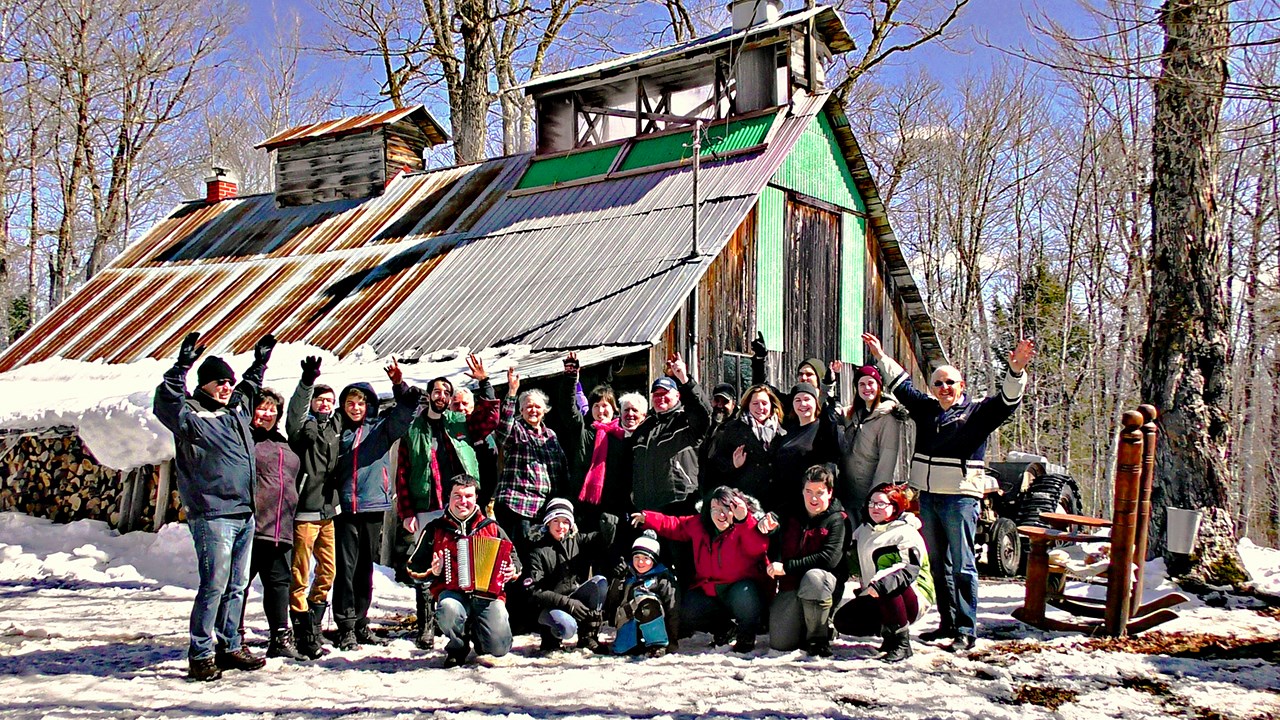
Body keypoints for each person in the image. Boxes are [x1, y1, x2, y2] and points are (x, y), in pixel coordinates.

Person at [862, 332, 1035, 651]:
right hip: (928, 497)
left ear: (962, 385)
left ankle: (966, 630)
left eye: (950, 382)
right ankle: (947, 624)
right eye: (938, 383)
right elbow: (901, 384)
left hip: (961, 499)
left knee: (963, 564)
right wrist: (880, 355)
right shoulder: (925, 409)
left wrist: (1016, 371)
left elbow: (1008, 401)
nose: (944, 388)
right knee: (938, 563)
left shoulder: (979, 413)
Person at [152, 331, 275, 681]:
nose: (226, 387)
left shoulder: (234, 413)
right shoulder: (189, 415)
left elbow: (248, 390)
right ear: (204, 384)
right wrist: (181, 366)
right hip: (213, 514)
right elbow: (165, 402)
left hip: (244, 512)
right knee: (214, 585)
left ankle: (230, 645)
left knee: (238, 586)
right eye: (220, 382)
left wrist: (259, 363)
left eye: (228, 382)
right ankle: (201, 652)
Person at [396, 354, 499, 648]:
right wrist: (406, 511)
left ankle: (462, 622)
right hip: (426, 505)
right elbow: (403, 472)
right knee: (427, 565)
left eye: (446, 391)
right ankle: (426, 626)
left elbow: (490, 418)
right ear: (429, 396)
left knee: (465, 562)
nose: (441, 396)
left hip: (459, 505)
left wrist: (484, 382)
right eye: (437, 391)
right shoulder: (414, 429)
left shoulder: (460, 423)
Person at [331, 359, 423, 651]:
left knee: (364, 569)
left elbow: (405, 413)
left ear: (369, 405)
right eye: (350, 402)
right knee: (344, 568)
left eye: (361, 402)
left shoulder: (381, 428)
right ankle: (345, 625)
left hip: (372, 504)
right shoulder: (338, 431)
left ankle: (361, 623)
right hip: (344, 507)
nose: (355, 407)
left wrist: (399, 386)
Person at [631, 486, 770, 652]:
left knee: (746, 596)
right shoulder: (700, 524)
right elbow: (675, 525)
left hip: (740, 588)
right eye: (714, 509)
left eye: (725, 509)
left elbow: (758, 547)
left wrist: (745, 519)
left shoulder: (745, 525)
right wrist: (648, 518)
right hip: (710, 588)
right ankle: (725, 630)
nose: (720, 515)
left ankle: (746, 638)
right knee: (687, 610)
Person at [409, 475, 521, 667]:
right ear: (449, 498)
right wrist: (432, 571)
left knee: (499, 648)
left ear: (476, 498)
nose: (463, 501)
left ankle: (480, 635)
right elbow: (412, 567)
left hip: (487, 596)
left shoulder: (492, 527)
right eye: (457, 496)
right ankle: (457, 647)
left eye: (468, 496)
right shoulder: (435, 529)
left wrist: (512, 570)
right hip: (453, 593)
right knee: (448, 609)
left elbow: (514, 558)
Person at [833, 483, 934, 662]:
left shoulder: (906, 532)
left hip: (912, 597)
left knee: (887, 582)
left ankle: (902, 643)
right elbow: (851, 563)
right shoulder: (863, 531)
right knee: (843, 620)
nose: (874, 508)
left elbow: (909, 569)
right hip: (874, 595)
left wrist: (879, 585)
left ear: (895, 506)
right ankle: (889, 634)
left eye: (881, 504)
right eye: (871, 503)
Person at [285, 357, 340, 660]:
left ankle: (314, 622)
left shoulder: (334, 428)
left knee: (328, 571)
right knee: (300, 571)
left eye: (330, 400)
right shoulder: (302, 429)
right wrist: (307, 382)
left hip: (328, 511)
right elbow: (295, 412)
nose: (325, 404)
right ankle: (300, 628)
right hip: (305, 510)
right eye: (321, 399)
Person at [764, 465, 849, 656]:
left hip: (822, 584)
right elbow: (774, 518)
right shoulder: (792, 511)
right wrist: (768, 521)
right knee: (780, 643)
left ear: (830, 493)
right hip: (792, 585)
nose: (813, 498)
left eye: (819, 493)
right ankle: (802, 625)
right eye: (808, 491)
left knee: (814, 578)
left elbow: (828, 559)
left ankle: (819, 637)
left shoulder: (838, 520)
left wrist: (787, 567)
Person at [245, 388, 303, 660]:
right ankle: (233, 637)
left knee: (279, 583)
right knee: (239, 585)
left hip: (281, 525)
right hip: (252, 525)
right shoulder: (244, 439)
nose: (266, 414)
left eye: (272, 410)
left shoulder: (284, 442)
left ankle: (280, 638)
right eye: (262, 408)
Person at [493, 365, 568, 562]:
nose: (532, 410)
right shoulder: (516, 429)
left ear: (544, 411)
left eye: (537, 406)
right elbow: (502, 432)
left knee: (537, 557)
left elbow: (560, 468)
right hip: (517, 506)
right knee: (519, 556)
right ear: (521, 410)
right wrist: (511, 393)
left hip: (542, 509)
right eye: (528, 406)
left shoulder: (551, 435)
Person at [524, 498, 617, 653]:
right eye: (556, 521)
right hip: (550, 605)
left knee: (599, 583)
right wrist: (568, 604)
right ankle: (551, 638)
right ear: (548, 522)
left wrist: (609, 528)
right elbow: (535, 592)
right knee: (568, 627)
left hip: (574, 597)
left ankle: (588, 637)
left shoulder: (577, 540)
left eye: (565, 521)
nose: (561, 526)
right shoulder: (537, 550)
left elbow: (601, 541)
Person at [556, 352, 633, 533]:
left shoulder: (623, 437)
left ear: (614, 409)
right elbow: (568, 409)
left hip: (612, 509)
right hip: (582, 505)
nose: (600, 410)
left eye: (605, 405)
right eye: (596, 406)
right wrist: (571, 377)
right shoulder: (584, 431)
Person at [630, 352, 712, 515]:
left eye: (665, 393)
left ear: (677, 395)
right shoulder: (643, 428)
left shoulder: (685, 421)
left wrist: (685, 380)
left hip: (680, 503)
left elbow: (704, 413)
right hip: (646, 507)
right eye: (656, 394)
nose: (660, 398)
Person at [837, 365, 912, 517]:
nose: (866, 388)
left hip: (869, 494)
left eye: (871, 383)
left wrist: (876, 498)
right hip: (848, 491)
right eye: (861, 384)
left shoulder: (887, 418)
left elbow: (887, 460)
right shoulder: (851, 414)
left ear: (879, 386)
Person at [605, 530, 679, 657]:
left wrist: (672, 640)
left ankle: (657, 644)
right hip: (629, 619)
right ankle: (631, 643)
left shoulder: (662, 577)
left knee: (647, 604)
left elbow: (673, 608)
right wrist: (618, 580)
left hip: (654, 621)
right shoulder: (627, 574)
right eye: (637, 558)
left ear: (654, 560)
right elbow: (612, 603)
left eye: (646, 558)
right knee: (622, 650)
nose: (640, 563)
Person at [706, 384, 785, 502]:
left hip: (776, 498)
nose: (760, 407)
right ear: (747, 405)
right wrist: (733, 464)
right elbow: (717, 463)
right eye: (755, 403)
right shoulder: (734, 429)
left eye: (764, 403)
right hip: (746, 497)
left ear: (772, 405)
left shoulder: (782, 429)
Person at [771, 382, 840, 513]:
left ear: (816, 403)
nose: (802, 404)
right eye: (798, 400)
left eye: (807, 399)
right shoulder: (789, 430)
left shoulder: (823, 428)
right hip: (786, 502)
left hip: (812, 503)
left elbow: (835, 452)